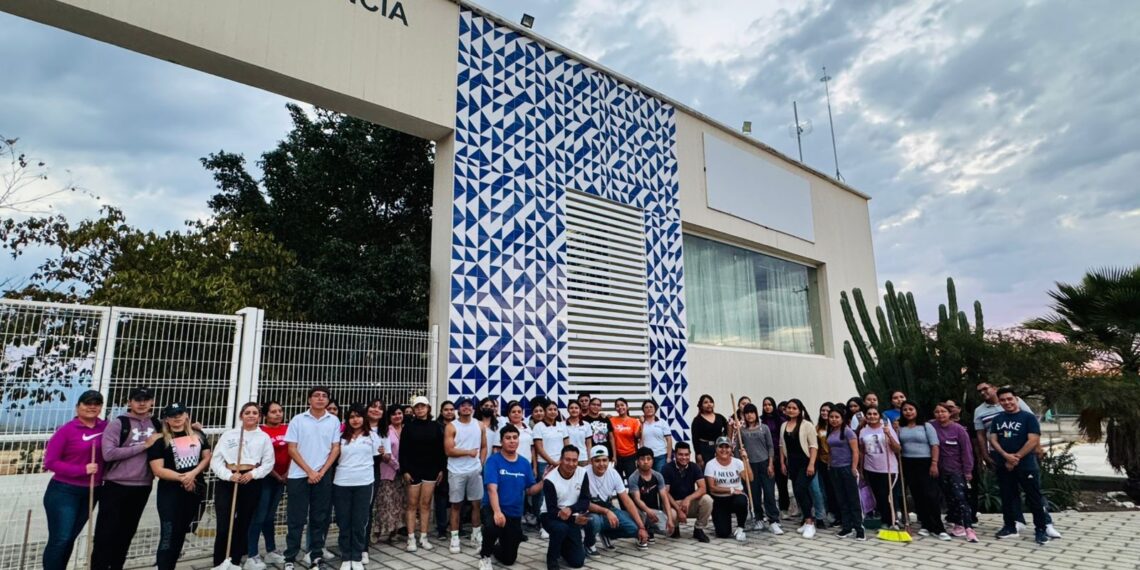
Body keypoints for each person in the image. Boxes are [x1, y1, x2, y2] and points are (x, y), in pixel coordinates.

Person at [91, 386, 162, 570]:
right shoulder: (118, 423)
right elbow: (109, 453)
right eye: (137, 399)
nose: (141, 403)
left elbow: (176, 435)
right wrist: (144, 446)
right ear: (130, 402)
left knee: (126, 534)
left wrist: (193, 428)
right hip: (116, 485)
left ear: (152, 402)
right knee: (105, 534)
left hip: (143, 486)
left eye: (146, 399)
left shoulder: (157, 423)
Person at [42, 389, 107, 570]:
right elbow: (51, 462)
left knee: (70, 537)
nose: (91, 407)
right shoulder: (66, 430)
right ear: (78, 407)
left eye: (96, 403)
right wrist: (82, 469)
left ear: (101, 407)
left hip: (92, 491)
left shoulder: (106, 428)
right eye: (87, 403)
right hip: (64, 491)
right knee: (60, 539)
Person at [283, 386, 342, 570]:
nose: (320, 398)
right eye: (316, 395)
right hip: (299, 475)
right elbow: (292, 449)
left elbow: (335, 448)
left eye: (324, 396)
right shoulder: (298, 420)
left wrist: (322, 472)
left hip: (323, 476)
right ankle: (290, 557)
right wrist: (310, 471)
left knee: (319, 518)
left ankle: (315, 556)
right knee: (296, 519)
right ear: (309, 399)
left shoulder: (333, 420)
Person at [147, 402, 211, 570]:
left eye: (180, 414)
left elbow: (206, 458)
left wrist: (192, 474)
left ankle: (171, 564)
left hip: (194, 489)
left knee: (182, 531)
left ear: (187, 415)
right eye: (172, 415)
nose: (177, 418)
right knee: (169, 533)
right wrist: (183, 478)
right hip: (170, 492)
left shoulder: (198, 435)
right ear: (166, 419)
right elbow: (158, 469)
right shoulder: (160, 440)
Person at [212, 402, 275, 570]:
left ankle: (235, 560)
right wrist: (229, 475)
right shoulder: (229, 435)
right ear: (241, 416)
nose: (251, 415)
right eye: (247, 412)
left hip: (250, 481)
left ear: (259, 417)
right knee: (225, 523)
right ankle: (219, 561)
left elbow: (268, 463)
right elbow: (216, 460)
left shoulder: (263, 437)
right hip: (229, 480)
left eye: (255, 413)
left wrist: (252, 474)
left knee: (243, 522)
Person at [988, 387, 1051, 545]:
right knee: (1007, 496)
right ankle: (1009, 527)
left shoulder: (1028, 418)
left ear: (1016, 399)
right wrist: (1005, 456)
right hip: (1004, 464)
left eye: (1009, 399)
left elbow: (1033, 439)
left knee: (1034, 497)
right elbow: (993, 439)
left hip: (1026, 464)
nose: (1007, 402)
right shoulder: (998, 419)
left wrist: (1016, 457)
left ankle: (1041, 530)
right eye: (1003, 400)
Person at [478, 424, 546, 570]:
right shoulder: (493, 461)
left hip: (514, 513)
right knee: (493, 527)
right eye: (508, 438)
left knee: (509, 559)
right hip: (493, 507)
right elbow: (491, 489)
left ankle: (497, 545)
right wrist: (497, 512)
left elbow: (529, 490)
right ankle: (485, 555)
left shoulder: (523, 463)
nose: (512, 441)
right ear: (501, 441)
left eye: (515, 438)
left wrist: (543, 482)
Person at [333, 404, 383, 569]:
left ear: (364, 418)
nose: (355, 420)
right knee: (344, 521)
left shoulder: (373, 437)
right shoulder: (340, 436)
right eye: (352, 417)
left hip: (364, 483)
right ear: (347, 419)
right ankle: (346, 557)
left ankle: (357, 556)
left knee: (360, 521)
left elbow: (377, 461)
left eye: (358, 416)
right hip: (342, 483)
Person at [897, 400, 949, 540]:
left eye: (911, 409)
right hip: (908, 462)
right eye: (905, 409)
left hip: (925, 462)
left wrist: (934, 463)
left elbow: (935, 446)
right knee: (917, 495)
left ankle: (938, 527)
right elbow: (898, 445)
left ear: (917, 410)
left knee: (930, 495)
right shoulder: (900, 427)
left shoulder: (927, 426)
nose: (908, 412)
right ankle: (925, 524)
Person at [246, 401, 289, 569]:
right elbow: (260, 459)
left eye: (280, 411)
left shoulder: (288, 429)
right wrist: (276, 475)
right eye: (273, 412)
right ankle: (252, 554)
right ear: (265, 415)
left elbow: (293, 450)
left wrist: (286, 474)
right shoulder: (260, 432)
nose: (278, 414)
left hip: (283, 478)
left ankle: (271, 550)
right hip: (265, 478)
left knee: (270, 516)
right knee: (259, 516)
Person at [401, 395, 445, 552]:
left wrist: (441, 469)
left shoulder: (436, 426)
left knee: (425, 504)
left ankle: (423, 537)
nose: (420, 409)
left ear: (428, 409)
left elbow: (441, 450)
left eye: (423, 406)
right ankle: (411, 538)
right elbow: (403, 451)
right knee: (412, 505)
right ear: (414, 410)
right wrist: (404, 470)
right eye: (417, 407)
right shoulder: (408, 427)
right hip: (413, 470)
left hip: (431, 470)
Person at [582, 445, 647, 552]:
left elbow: (627, 501)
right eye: (597, 461)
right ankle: (589, 543)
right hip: (589, 510)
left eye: (604, 460)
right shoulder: (583, 474)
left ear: (609, 460)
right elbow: (583, 503)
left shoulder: (613, 473)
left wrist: (641, 527)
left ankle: (607, 534)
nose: (601, 464)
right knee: (595, 522)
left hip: (608, 507)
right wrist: (606, 512)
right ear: (591, 461)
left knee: (634, 528)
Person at [444, 397, 488, 554]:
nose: (466, 408)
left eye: (469, 405)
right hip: (456, 471)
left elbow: (483, 446)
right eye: (463, 405)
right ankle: (455, 537)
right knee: (456, 505)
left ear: (473, 408)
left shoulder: (480, 425)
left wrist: (480, 464)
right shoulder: (451, 427)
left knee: (476, 504)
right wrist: (468, 452)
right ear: (458, 409)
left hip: (474, 471)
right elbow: (449, 450)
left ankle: (476, 534)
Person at [931, 402, 977, 542]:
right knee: (949, 498)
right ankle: (957, 524)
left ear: (950, 413)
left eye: (943, 411)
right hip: (940, 470)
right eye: (937, 412)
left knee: (960, 498)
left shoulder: (958, 430)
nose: (940, 414)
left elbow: (967, 451)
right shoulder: (932, 426)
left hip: (956, 470)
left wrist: (968, 470)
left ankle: (969, 528)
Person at [540, 446, 591, 570]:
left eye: (574, 460)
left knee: (577, 562)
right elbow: (551, 510)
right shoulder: (550, 479)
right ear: (561, 460)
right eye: (567, 460)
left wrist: (571, 509)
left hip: (571, 514)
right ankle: (552, 559)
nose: (571, 463)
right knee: (560, 529)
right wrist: (571, 517)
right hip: (550, 516)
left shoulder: (582, 473)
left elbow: (585, 500)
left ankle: (563, 545)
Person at [736, 403, 779, 533]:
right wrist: (741, 466)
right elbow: (738, 450)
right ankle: (758, 519)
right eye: (747, 413)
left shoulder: (764, 428)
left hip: (765, 463)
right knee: (754, 493)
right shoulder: (741, 431)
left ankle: (773, 520)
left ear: (756, 414)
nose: (749, 415)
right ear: (744, 415)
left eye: (752, 412)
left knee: (769, 493)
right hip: (749, 465)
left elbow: (770, 446)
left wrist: (771, 464)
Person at [780, 399, 818, 538]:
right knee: (798, 492)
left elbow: (814, 446)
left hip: (805, 462)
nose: (790, 410)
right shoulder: (784, 425)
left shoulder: (807, 425)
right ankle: (806, 518)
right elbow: (781, 445)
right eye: (788, 408)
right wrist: (783, 463)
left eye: (794, 408)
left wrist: (812, 464)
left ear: (800, 410)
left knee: (801, 489)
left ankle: (810, 522)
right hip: (792, 464)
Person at [824, 407, 863, 540]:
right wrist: (829, 464)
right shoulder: (830, 432)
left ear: (842, 418)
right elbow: (830, 450)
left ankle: (859, 527)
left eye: (836, 417)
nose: (833, 420)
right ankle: (847, 527)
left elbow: (855, 451)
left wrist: (853, 467)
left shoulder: (848, 432)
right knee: (841, 498)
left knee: (852, 498)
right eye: (831, 417)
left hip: (847, 468)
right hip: (834, 469)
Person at [661, 442, 713, 542]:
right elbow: (665, 493)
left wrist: (688, 499)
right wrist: (679, 510)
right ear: (675, 455)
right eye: (680, 454)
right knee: (672, 512)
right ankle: (674, 528)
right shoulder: (666, 468)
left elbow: (703, 488)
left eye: (686, 455)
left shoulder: (694, 467)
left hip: (688, 504)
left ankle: (698, 529)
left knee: (707, 499)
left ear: (690, 454)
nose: (684, 457)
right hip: (673, 504)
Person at [857, 407, 900, 528]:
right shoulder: (863, 431)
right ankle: (885, 521)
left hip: (888, 468)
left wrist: (889, 435)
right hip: (870, 468)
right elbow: (862, 451)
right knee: (878, 496)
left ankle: (893, 520)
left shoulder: (886, 428)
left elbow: (897, 449)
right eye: (869, 414)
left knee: (887, 495)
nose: (872, 416)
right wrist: (861, 469)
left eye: (875, 414)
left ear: (879, 416)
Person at [371, 404, 406, 544]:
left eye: (399, 413)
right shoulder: (385, 430)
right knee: (384, 504)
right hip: (388, 471)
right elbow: (385, 453)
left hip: (403, 474)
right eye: (394, 414)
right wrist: (397, 466)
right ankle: (377, 532)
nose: (397, 416)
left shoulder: (406, 429)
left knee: (398, 504)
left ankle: (394, 532)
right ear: (389, 416)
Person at [704, 437, 748, 541]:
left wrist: (746, 460)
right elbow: (712, 488)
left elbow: (749, 478)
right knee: (723, 533)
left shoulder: (737, 462)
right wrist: (731, 489)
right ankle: (722, 519)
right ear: (716, 448)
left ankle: (741, 527)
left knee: (741, 501)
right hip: (719, 500)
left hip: (735, 498)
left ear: (731, 448)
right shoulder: (710, 464)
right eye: (721, 447)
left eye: (727, 447)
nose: (724, 450)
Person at [627, 447, 674, 543]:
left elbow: (664, 497)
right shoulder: (633, 478)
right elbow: (637, 499)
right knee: (641, 515)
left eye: (648, 459)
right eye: (642, 459)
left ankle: (650, 530)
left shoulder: (658, 476)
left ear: (653, 461)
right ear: (637, 461)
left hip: (653, 510)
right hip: (638, 511)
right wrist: (648, 511)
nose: (645, 462)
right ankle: (640, 534)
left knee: (668, 529)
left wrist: (670, 519)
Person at [504, 401, 538, 527]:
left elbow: (532, 449)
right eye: (513, 412)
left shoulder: (527, 428)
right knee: (512, 493)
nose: (516, 414)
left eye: (519, 411)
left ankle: (522, 516)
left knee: (524, 493)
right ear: (508, 414)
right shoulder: (505, 428)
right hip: (509, 466)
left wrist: (534, 467)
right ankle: (513, 520)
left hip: (526, 466)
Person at [434, 401, 457, 540]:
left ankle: (456, 527)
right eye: (446, 409)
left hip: (457, 465)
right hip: (441, 467)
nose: (449, 412)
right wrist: (439, 469)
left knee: (457, 497)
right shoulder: (436, 427)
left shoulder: (459, 425)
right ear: (441, 411)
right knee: (441, 498)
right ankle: (441, 529)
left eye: (451, 409)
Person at [811, 402, 833, 528]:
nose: (824, 413)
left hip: (835, 461)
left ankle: (835, 512)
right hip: (821, 462)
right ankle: (828, 512)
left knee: (834, 488)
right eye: (822, 410)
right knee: (824, 489)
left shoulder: (836, 426)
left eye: (827, 410)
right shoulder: (817, 428)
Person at [691, 394, 727, 469]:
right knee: (707, 471)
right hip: (704, 449)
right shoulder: (697, 420)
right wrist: (698, 454)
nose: (709, 404)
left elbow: (728, 427)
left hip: (719, 448)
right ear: (701, 405)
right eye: (706, 402)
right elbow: (695, 438)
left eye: (711, 402)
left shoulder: (720, 417)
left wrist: (723, 437)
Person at [610, 398, 642, 479]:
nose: (620, 407)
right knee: (617, 481)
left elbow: (637, 436)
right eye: (617, 406)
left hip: (631, 455)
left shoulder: (634, 421)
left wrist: (642, 424)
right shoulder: (611, 420)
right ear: (615, 409)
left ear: (627, 407)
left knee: (632, 480)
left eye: (622, 405)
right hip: (617, 456)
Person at [639, 400, 673, 473]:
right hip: (646, 457)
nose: (649, 409)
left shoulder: (662, 422)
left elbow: (669, 440)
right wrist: (641, 423)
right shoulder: (640, 423)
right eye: (646, 407)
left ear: (655, 409)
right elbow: (639, 439)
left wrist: (669, 457)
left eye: (651, 407)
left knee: (660, 477)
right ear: (643, 410)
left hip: (660, 455)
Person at [563, 401, 590, 466]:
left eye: (576, 408)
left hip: (583, 458)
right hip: (568, 459)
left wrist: (589, 458)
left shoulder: (586, 424)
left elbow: (589, 444)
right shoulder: (562, 424)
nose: (574, 410)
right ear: (568, 410)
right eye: (571, 408)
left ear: (580, 410)